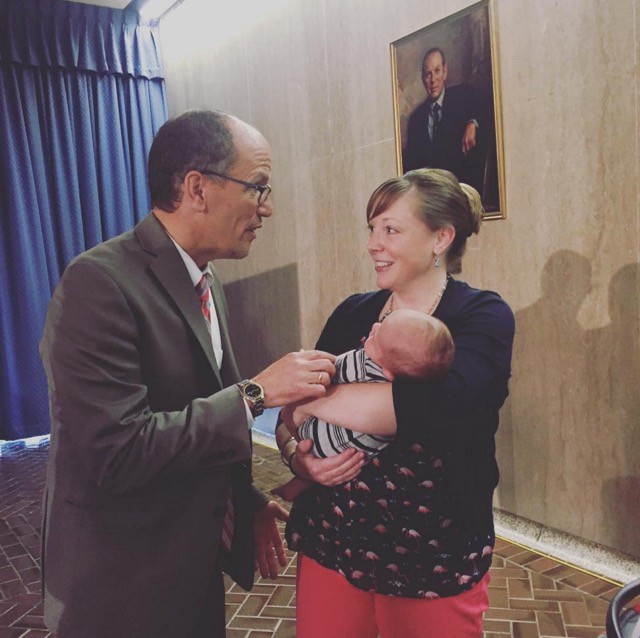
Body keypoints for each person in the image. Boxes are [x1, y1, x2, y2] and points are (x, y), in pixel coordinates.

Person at [38, 109, 352, 638]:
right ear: (196, 188)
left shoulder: (205, 282)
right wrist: (254, 394)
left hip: (188, 569)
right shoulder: (99, 282)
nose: (267, 208)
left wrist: (242, 499)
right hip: (122, 585)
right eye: (257, 187)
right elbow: (117, 452)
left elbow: (190, 408)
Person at [276, 168, 515, 638]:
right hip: (335, 539)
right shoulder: (352, 312)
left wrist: (313, 402)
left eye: (390, 229)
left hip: (430, 555)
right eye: (372, 228)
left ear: (440, 238)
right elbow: (287, 413)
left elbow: (431, 412)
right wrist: (297, 460)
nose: (373, 243)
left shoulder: (480, 316)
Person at [273, 309, 454, 502]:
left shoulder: (367, 366)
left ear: (387, 372)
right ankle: (302, 480)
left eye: (377, 337)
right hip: (343, 457)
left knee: (313, 445)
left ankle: (302, 480)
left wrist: (310, 372)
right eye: (382, 322)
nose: (374, 327)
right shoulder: (395, 368)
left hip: (324, 441)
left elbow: (335, 368)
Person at [402, 47, 490, 195]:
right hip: (432, 200)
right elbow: (412, 171)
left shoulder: (463, 96)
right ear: (423, 78)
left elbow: (489, 106)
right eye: (428, 74)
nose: (433, 79)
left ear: (445, 71)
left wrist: (473, 123)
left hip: (462, 193)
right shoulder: (416, 120)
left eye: (437, 71)